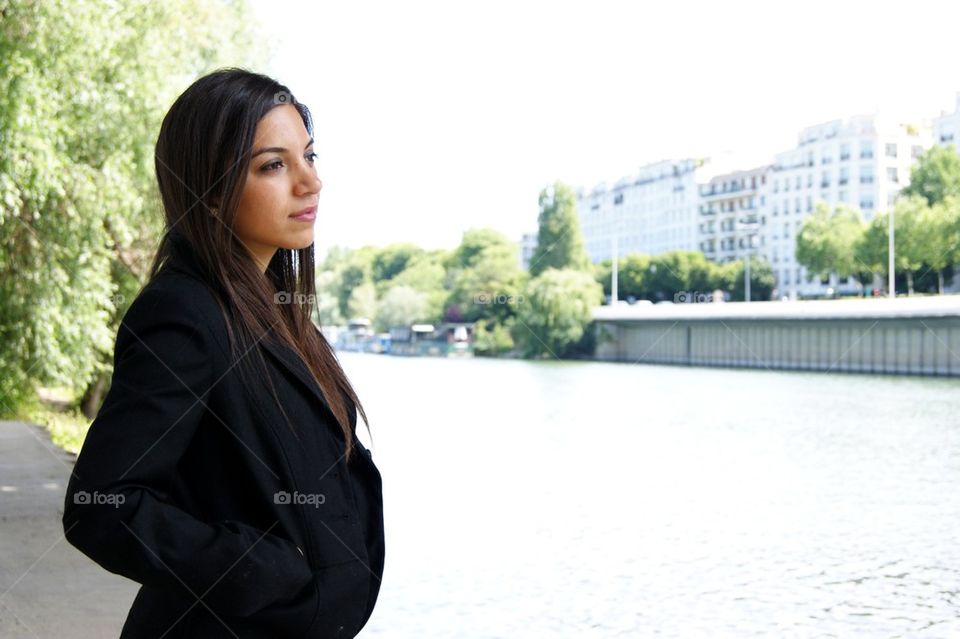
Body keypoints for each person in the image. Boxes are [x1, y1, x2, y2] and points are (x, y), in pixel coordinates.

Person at [62, 68, 384, 638]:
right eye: (273, 165)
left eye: (309, 156)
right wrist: (257, 568)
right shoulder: (184, 314)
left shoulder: (274, 309)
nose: (310, 183)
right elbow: (101, 505)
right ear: (209, 192)